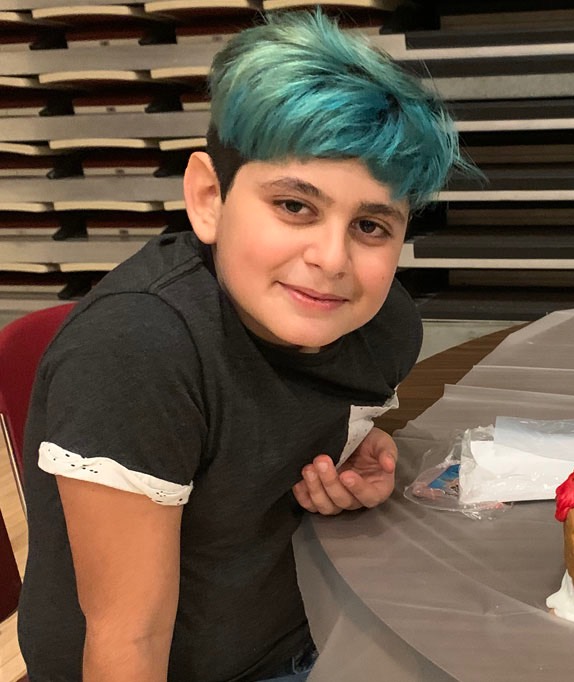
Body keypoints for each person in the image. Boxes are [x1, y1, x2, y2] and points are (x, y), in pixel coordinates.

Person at [17, 10, 469, 681]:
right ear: (208, 197)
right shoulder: (138, 351)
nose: (331, 258)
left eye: (372, 224)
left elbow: (284, 431)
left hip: (304, 626)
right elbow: (127, 641)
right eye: (295, 206)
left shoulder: (382, 325)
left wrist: (360, 461)